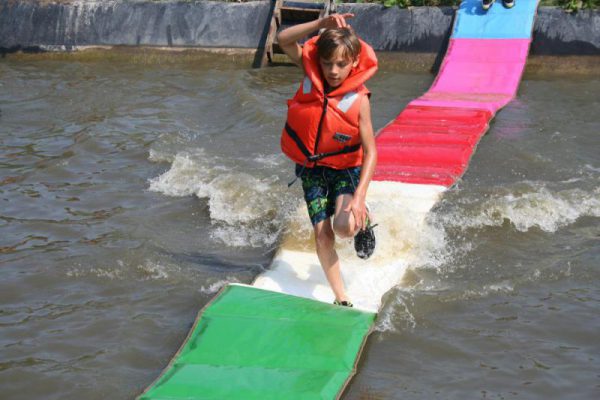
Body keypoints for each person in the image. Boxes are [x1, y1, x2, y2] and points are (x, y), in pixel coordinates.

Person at [277, 14, 378, 308]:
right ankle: (341, 297)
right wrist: (320, 25)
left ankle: (364, 219)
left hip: (346, 168)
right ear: (318, 61)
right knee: (323, 236)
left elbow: (371, 151)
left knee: (345, 228)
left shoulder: (359, 100)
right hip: (312, 170)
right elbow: (283, 40)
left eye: (341, 64)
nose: (333, 71)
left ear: (354, 62)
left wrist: (359, 198)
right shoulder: (311, 77)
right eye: (327, 63)